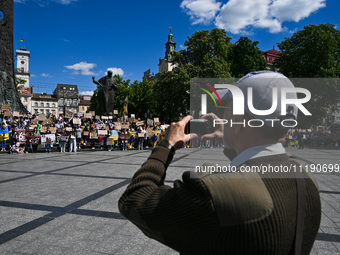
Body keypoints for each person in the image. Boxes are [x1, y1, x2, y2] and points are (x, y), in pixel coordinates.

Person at [119, 71, 321, 255]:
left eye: (227, 110)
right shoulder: (305, 176)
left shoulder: (213, 195)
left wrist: (167, 145)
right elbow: (258, 170)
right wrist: (233, 138)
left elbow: (134, 201)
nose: (224, 116)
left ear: (240, 119)